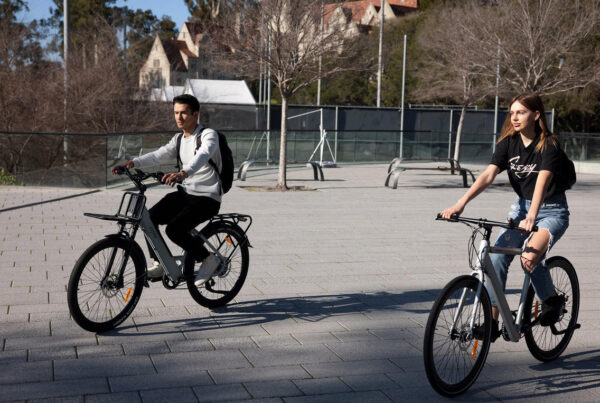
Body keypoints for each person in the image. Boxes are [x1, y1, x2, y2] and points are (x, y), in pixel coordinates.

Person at [440, 93, 571, 341]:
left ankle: (551, 300)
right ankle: (492, 321)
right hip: (520, 210)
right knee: (497, 259)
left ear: (536, 114)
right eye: (512, 112)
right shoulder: (508, 143)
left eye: (521, 112)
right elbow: (488, 175)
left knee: (528, 259)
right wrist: (461, 203)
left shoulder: (549, 144)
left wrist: (532, 215)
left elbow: (542, 179)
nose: (515, 117)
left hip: (551, 210)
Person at [111, 94, 222, 286]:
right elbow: (158, 155)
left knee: (175, 230)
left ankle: (208, 258)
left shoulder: (208, 135)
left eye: (184, 113)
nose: (179, 117)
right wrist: (132, 163)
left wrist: (182, 173)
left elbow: (203, 155)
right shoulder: (179, 139)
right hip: (187, 193)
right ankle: (160, 262)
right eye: (176, 113)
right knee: (149, 218)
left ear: (195, 114)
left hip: (207, 197)